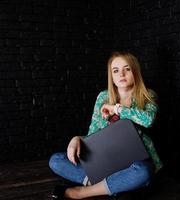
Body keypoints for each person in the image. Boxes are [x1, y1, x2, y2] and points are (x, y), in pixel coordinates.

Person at [49, 51, 163, 199]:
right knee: (56, 160)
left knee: (143, 172)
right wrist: (76, 139)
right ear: (111, 76)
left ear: (135, 71)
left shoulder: (147, 95)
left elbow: (148, 120)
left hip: (134, 162)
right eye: (116, 71)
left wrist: (116, 108)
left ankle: (81, 192)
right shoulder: (103, 97)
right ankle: (115, 186)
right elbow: (93, 134)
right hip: (106, 161)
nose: (121, 74)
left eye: (127, 69)